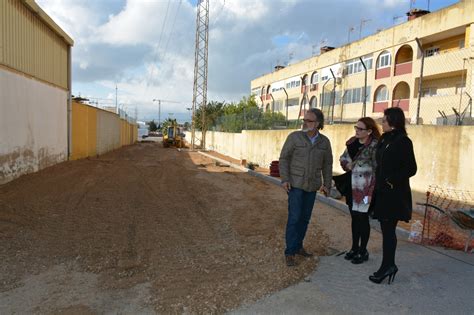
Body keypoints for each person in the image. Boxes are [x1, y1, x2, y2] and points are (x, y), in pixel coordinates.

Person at [279, 108, 333, 267]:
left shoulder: (324, 142)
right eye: (304, 120)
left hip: (312, 186)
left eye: (308, 120)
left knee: (304, 219)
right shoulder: (294, 137)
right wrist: (285, 179)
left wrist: (327, 184)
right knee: (294, 218)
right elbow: (284, 159)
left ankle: (298, 246)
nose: (304, 123)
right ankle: (290, 252)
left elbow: (327, 165)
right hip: (295, 185)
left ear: (317, 123)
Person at [369, 107, 417, 284]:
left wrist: (391, 180)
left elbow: (411, 168)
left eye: (384, 120)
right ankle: (388, 266)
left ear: (393, 121)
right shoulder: (385, 139)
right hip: (383, 192)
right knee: (386, 231)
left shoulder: (403, 141)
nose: (381, 123)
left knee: (389, 232)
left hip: (394, 194)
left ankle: (387, 267)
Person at [339, 117, 380, 264]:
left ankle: (363, 250)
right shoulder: (352, 143)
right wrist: (346, 165)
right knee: (354, 217)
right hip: (352, 186)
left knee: (363, 219)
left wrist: (372, 189)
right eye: (356, 127)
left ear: (369, 131)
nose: (357, 130)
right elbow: (343, 157)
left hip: (366, 188)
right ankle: (354, 248)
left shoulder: (375, 146)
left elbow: (378, 168)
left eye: (360, 129)